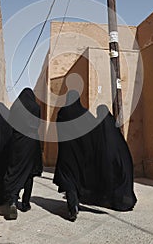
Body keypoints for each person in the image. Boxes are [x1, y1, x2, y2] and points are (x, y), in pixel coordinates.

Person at [53, 90, 97, 221]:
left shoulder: (62, 112)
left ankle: (72, 207)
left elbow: (58, 129)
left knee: (69, 179)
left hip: (66, 153)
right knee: (78, 177)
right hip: (82, 154)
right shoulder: (85, 114)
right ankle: (75, 202)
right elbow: (92, 131)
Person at [4, 88, 43, 220]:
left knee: (15, 170)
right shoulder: (36, 107)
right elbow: (38, 124)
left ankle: (13, 201)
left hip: (17, 142)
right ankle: (25, 203)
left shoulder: (16, 106)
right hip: (32, 142)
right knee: (29, 172)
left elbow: (10, 124)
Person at [93, 104, 137, 211]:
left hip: (113, 169)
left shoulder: (102, 130)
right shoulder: (114, 129)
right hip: (123, 169)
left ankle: (110, 198)